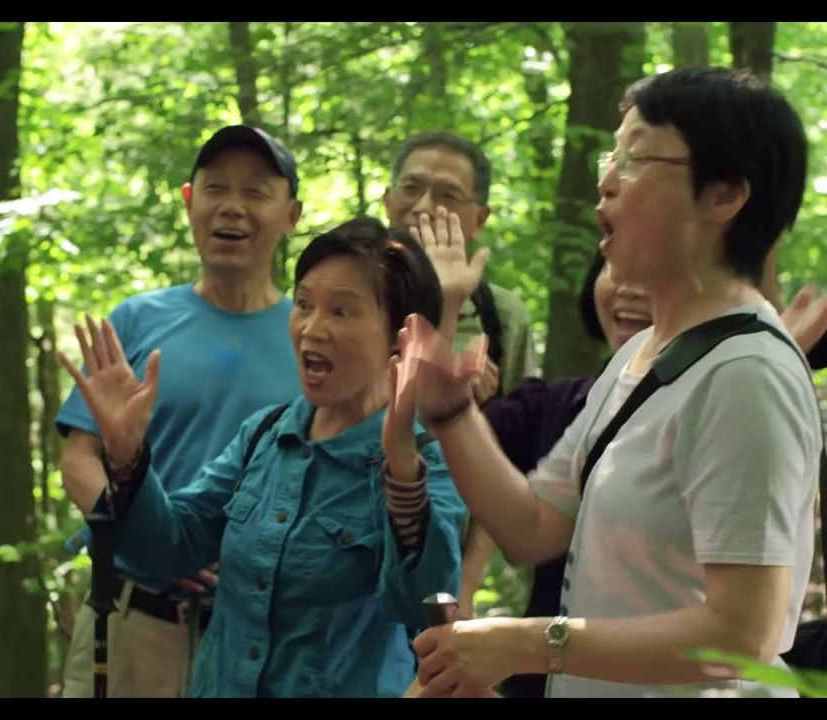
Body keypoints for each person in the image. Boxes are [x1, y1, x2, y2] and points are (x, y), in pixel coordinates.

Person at [404, 66, 823, 698]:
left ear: (724, 196)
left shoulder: (747, 374)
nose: (605, 180)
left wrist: (526, 643)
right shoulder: (642, 357)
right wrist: (450, 411)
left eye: (636, 158)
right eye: (612, 156)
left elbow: (744, 634)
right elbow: (533, 525)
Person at [57, 217, 468, 697]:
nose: (312, 328)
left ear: (402, 337)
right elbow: (169, 547)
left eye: (341, 311)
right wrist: (128, 456)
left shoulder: (427, 459)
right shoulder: (265, 434)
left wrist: (401, 470)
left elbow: (425, 609)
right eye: (304, 304)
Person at [55, 125, 305, 697]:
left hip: (262, 637)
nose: (231, 207)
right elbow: (78, 459)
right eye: (215, 188)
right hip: (134, 623)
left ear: (291, 215)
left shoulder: (311, 340)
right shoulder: (137, 320)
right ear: (190, 202)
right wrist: (155, 544)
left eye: (255, 192)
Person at [383, 130, 538, 403]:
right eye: (410, 189)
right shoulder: (345, 293)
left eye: (448, 196)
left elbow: (524, 420)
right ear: (387, 200)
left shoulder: (501, 316)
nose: (423, 207)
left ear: (480, 219)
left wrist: (468, 407)